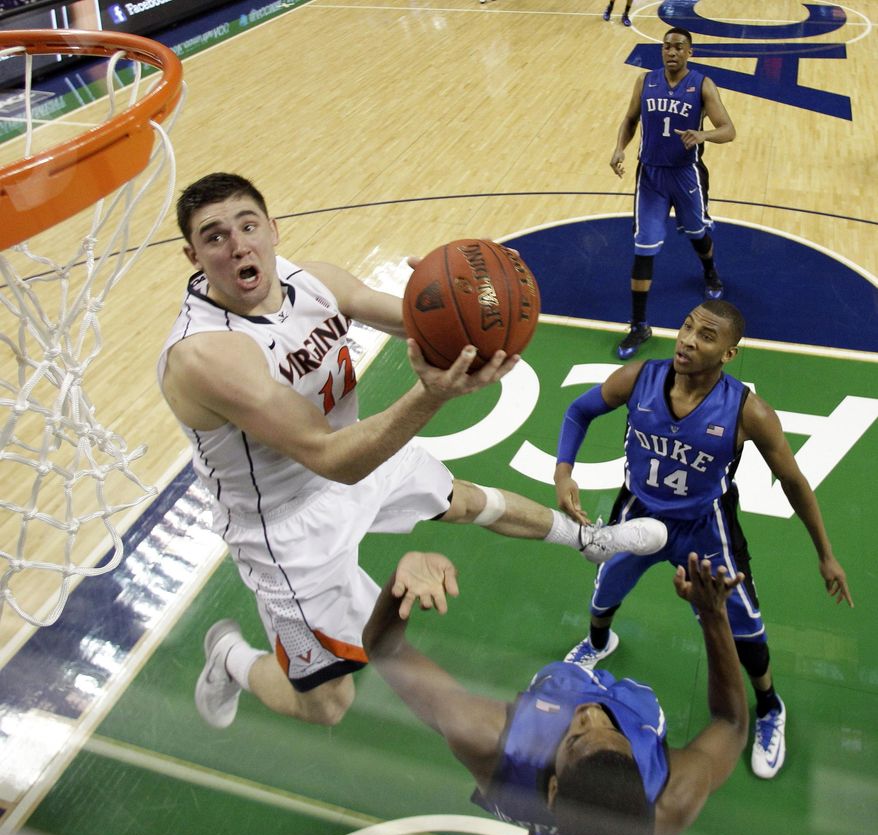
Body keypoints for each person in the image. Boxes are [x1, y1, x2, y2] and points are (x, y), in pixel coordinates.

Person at [157, 173, 668, 730]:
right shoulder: (205, 355)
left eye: (248, 225)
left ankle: (589, 540)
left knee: (464, 500)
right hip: (287, 524)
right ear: (193, 255)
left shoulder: (317, 282)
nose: (237, 245)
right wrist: (430, 395)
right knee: (327, 705)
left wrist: (472, 303)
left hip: (353, 455)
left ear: (273, 230)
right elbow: (332, 458)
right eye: (214, 236)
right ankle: (231, 657)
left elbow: (421, 323)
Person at [553, 298, 854, 779]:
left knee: (745, 627)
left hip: (704, 529)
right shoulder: (640, 379)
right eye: (688, 327)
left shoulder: (747, 411)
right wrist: (563, 471)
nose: (689, 340)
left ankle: (770, 705)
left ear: (729, 353)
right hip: (638, 512)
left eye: (707, 336)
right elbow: (578, 412)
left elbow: (795, 482)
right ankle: (598, 642)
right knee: (606, 588)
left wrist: (826, 554)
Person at [363, 549, 749, 835]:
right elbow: (731, 725)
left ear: (552, 791)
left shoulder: (486, 737)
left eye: (578, 737)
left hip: (545, 716)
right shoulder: (671, 800)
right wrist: (713, 617)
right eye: (614, 735)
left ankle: (544, 828)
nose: (592, 712)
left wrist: (401, 580)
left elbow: (384, 650)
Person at [610, 27, 736, 360]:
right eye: (666, 46)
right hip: (650, 175)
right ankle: (639, 324)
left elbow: (729, 129)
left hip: (685, 175)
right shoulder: (645, 81)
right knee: (644, 247)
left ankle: (709, 270)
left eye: (679, 47)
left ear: (689, 52)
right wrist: (619, 148)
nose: (671, 52)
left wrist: (703, 134)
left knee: (696, 232)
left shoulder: (703, 85)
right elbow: (630, 118)